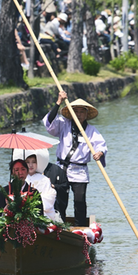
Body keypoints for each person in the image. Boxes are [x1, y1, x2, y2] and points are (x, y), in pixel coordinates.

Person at [43, 89, 107, 226]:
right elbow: (49, 122)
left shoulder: (91, 131)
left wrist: (99, 153)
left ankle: (80, 227)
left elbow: (101, 145)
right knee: (60, 200)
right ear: (71, 112)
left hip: (79, 171)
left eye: (82, 111)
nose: (78, 114)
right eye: (76, 111)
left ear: (86, 114)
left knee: (79, 201)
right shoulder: (63, 124)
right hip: (62, 169)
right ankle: (59, 225)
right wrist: (58, 102)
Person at [24, 154, 60, 221]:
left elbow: (50, 197)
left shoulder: (44, 179)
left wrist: (34, 203)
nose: (30, 165)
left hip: (42, 212)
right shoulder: (21, 178)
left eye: (33, 162)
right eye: (27, 162)